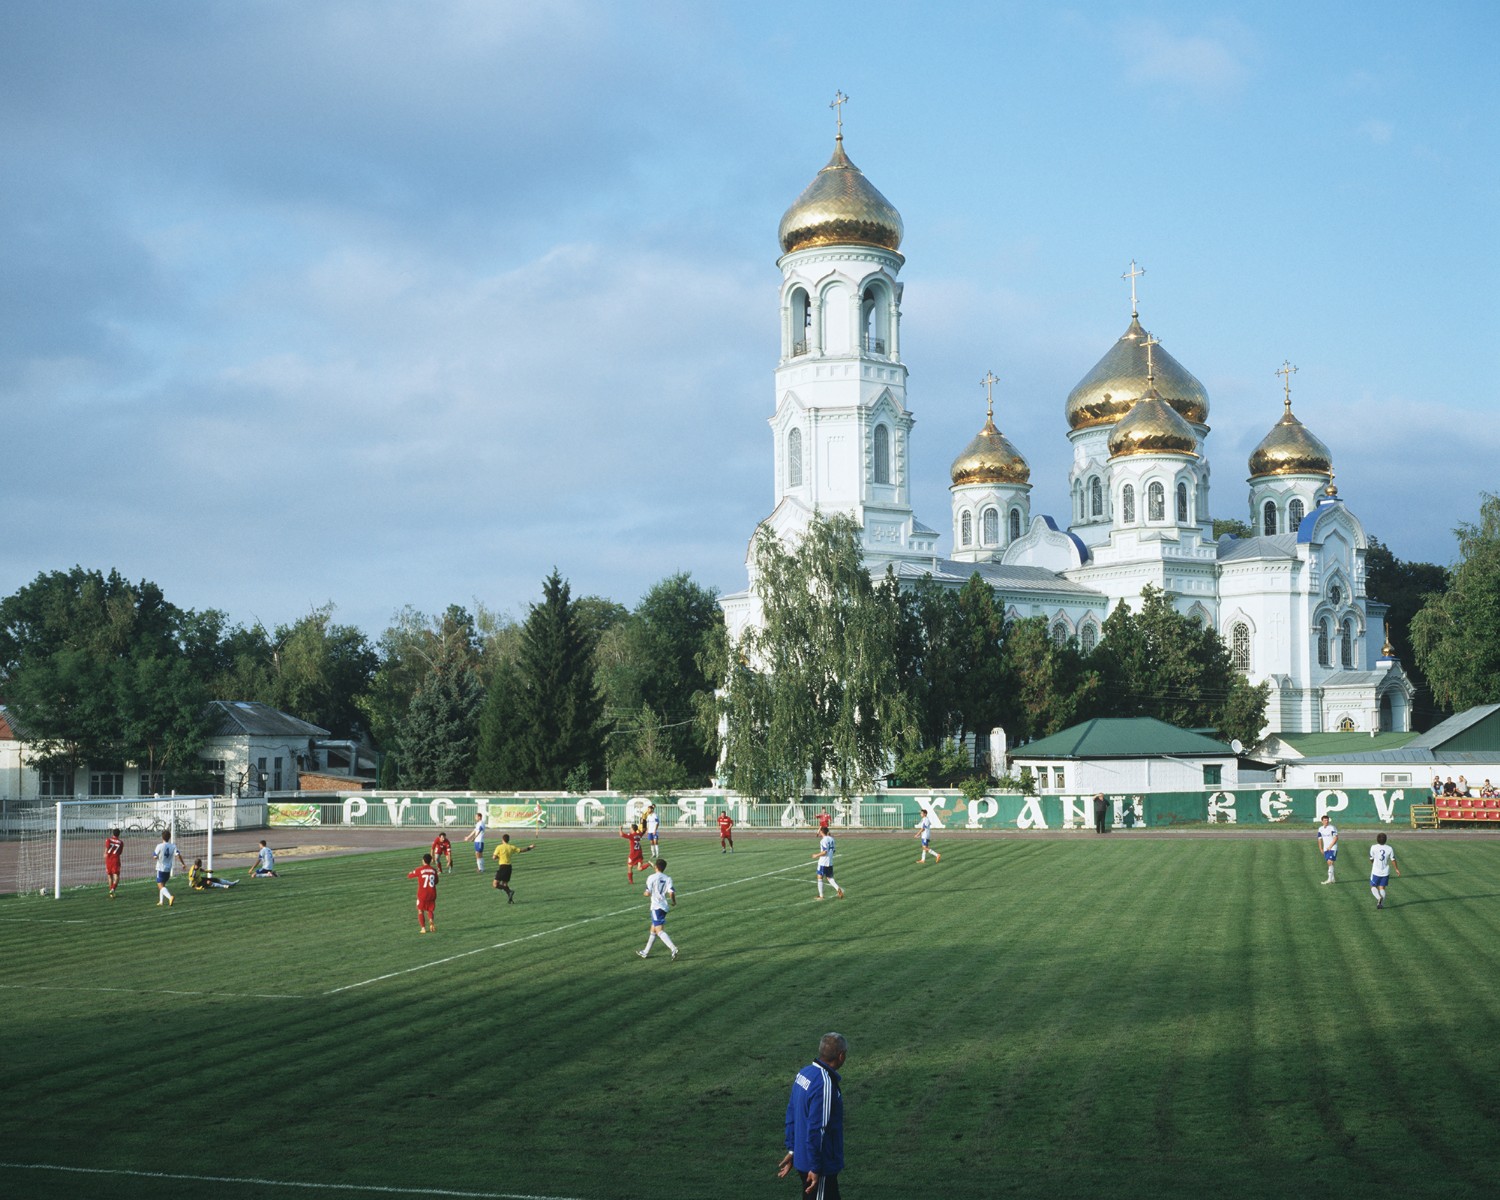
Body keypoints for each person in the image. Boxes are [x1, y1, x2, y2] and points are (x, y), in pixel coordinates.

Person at [778, 1032, 848, 1199]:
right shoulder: (824, 1084)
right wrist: (816, 1168)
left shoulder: (804, 1074)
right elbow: (818, 1129)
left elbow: (791, 1114)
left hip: (805, 1160)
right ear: (841, 1056)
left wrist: (793, 1150)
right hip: (819, 1167)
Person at [636, 858, 678, 961]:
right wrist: (673, 901)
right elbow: (671, 892)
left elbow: (647, 892)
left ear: (655, 867)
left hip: (656, 907)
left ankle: (673, 948)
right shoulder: (668, 878)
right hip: (664, 907)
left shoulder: (651, 877)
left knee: (659, 931)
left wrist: (645, 893)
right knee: (653, 929)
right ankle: (645, 952)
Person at [491, 833, 536, 903]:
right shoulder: (511, 847)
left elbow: (494, 857)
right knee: (505, 884)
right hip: (509, 867)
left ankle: (509, 891)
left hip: (502, 867)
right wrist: (530, 847)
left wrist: (499, 856)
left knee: (495, 884)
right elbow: (521, 850)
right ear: (508, 840)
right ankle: (510, 899)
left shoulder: (499, 847)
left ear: (502, 840)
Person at [152, 831, 185, 906]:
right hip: (168, 869)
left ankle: (170, 897)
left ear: (162, 837)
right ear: (169, 838)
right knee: (163, 885)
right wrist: (183, 864)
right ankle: (161, 901)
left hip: (161, 868)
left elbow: (154, 856)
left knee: (160, 886)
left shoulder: (159, 846)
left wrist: (156, 857)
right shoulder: (173, 846)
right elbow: (178, 855)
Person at [408, 853, 438, 933]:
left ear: (423, 860)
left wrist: (411, 872)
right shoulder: (434, 870)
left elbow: (409, 875)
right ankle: (431, 920)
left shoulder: (420, 869)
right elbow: (436, 881)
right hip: (432, 893)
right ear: (430, 861)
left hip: (422, 894)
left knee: (420, 910)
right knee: (430, 910)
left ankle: (423, 928)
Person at [1369, 832, 1400, 910]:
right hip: (1385, 871)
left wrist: (1373, 863)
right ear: (1386, 840)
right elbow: (1393, 859)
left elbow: (1371, 858)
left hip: (1376, 871)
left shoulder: (1373, 847)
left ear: (1377, 840)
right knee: (1382, 888)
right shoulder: (1389, 848)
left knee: (1373, 887)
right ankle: (1381, 904)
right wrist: (1396, 869)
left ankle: (1379, 898)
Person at [812, 831, 844, 901]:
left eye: (820, 831)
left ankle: (821, 896)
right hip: (830, 861)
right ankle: (838, 888)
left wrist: (816, 855)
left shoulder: (823, 840)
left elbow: (824, 852)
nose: (819, 833)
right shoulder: (832, 839)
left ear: (822, 832)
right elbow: (834, 850)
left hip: (823, 862)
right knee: (829, 878)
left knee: (819, 877)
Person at [1316, 815, 1338, 884]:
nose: (1326, 821)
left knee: (1330, 862)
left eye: (1327, 820)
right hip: (1326, 848)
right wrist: (1321, 848)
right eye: (1325, 820)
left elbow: (1336, 838)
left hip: (1333, 848)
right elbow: (1319, 839)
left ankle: (1329, 879)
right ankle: (1333, 878)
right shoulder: (1320, 829)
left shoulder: (1332, 828)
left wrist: (1330, 846)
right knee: (1329, 863)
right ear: (1322, 821)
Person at [104, 828, 123, 899]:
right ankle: (113, 889)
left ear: (113, 833)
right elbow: (120, 852)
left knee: (109, 876)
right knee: (116, 875)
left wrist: (105, 854)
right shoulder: (121, 842)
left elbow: (106, 848)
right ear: (119, 834)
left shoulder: (108, 840)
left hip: (108, 859)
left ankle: (111, 893)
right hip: (115, 859)